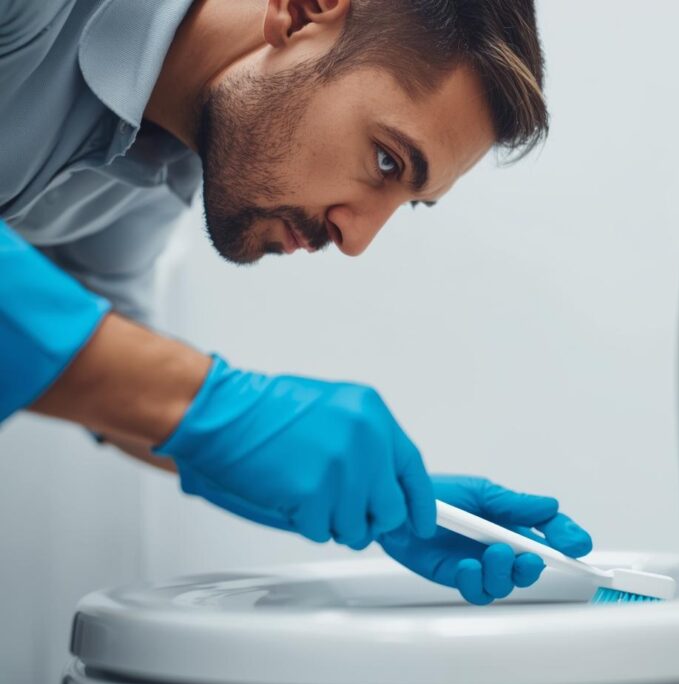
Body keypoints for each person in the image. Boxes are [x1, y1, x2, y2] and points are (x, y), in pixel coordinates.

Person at [0, 0, 593, 605]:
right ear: (302, 12)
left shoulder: (162, 157)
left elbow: (111, 367)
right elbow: (130, 375)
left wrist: (387, 498)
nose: (356, 240)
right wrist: (219, 408)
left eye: (408, 201)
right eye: (386, 159)